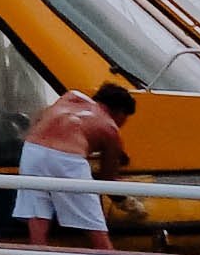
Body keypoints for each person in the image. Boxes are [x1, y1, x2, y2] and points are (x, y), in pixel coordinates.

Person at [14, 76, 125, 244]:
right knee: (93, 224)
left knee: (37, 214)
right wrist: (125, 201)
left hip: (33, 149)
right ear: (120, 112)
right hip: (67, 158)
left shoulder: (70, 97)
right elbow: (108, 180)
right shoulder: (110, 128)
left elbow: (42, 115)